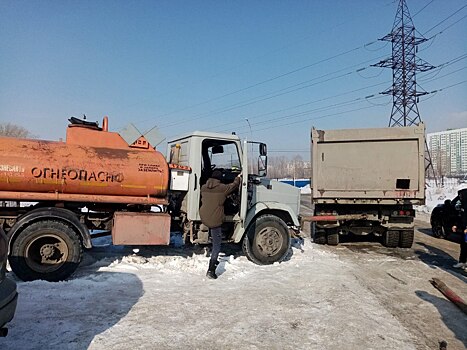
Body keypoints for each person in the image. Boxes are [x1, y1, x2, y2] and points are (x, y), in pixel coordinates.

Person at [199, 169, 241, 279]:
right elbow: (234, 186)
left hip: (204, 216)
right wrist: (238, 177)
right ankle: (211, 270)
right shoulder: (222, 188)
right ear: (220, 179)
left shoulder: (203, 187)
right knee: (217, 245)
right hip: (214, 220)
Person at [452, 185, 467, 269]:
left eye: (461, 196)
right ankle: (462, 262)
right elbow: (461, 217)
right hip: (464, 228)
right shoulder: (463, 206)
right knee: (464, 245)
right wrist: (456, 225)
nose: (460, 198)